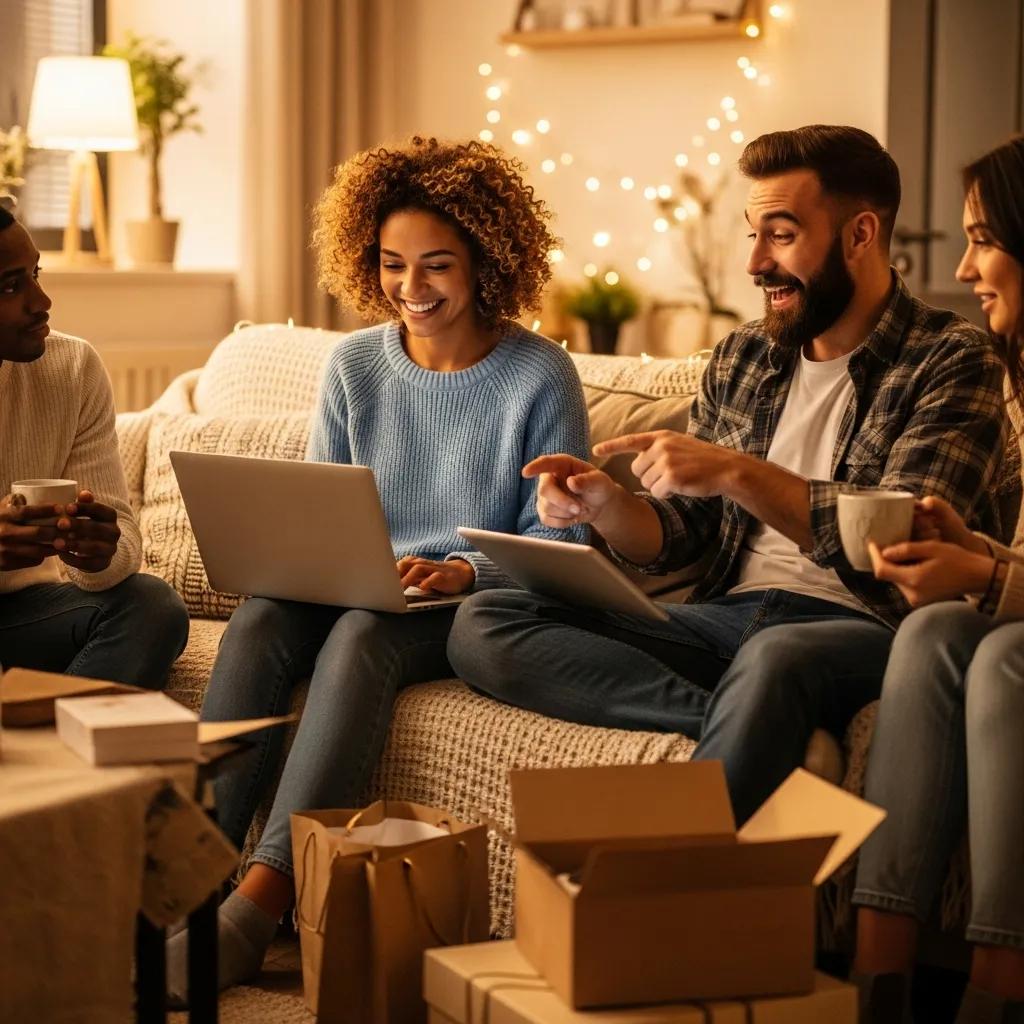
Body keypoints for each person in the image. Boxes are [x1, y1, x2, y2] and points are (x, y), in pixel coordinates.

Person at [447, 124, 1017, 829]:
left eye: (780, 235)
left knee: (779, 656)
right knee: (485, 620)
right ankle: (752, 722)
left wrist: (740, 473)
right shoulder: (747, 355)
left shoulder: (949, 360)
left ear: (861, 235)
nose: (755, 263)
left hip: (861, 628)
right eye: (752, 234)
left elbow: (896, 555)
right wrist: (610, 506)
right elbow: (688, 535)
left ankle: (676, 900)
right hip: (725, 621)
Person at [165, 137, 590, 1002]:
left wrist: (463, 573)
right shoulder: (355, 365)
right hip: (359, 579)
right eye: (393, 265)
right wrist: (316, 561)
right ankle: (183, 880)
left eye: (437, 266)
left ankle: (262, 899)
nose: (411, 289)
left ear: (487, 261)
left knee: (362, 633)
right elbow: (319, 508)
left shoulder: (539, 376)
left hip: (459, 606)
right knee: (261, 617)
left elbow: (562, 549)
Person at [852, 136, 1024, 1024]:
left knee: (1006, 661)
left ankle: (999, 987)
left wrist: (991, 584)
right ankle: (880, 982)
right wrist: (980, 556)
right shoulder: (1020, 380)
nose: (963, 267)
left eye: (984, 239)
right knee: (931, 632)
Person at [0, 206, 189, 686]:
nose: (41, 301)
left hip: (24, 613)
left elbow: (121, 532)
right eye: (10, 286)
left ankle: (60, 754)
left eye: (36, 274)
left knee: (152, 606)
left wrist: (98, 554)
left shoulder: (72, 368)